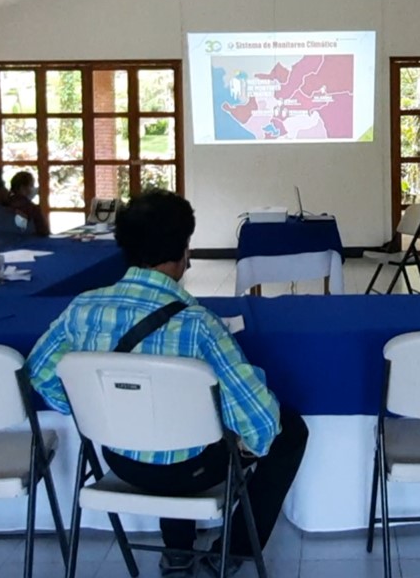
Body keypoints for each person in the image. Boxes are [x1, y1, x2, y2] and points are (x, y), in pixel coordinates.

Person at [26, 189, 308, 577]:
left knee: (170, 427)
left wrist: (95, 409)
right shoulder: (199, 326)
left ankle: (177, 551)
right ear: (185, 250)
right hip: (190, 469)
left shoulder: (82, 308)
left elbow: (39, 372)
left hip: (120, 459)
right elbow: (262, 423)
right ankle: (233, 551)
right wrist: (245, 443)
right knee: (285, 431)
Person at [8, 171, 50, 237]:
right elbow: (44, 231)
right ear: (22, 188)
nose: (34, 189)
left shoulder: (3, 204)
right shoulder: (32, 208)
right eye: (31, 185)